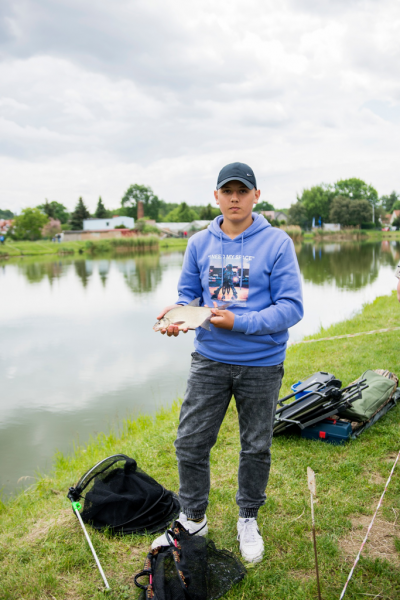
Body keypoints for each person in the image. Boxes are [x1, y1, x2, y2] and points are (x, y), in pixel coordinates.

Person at [152, 162, 304, 563]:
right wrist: (178, 318)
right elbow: (188, 297)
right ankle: (193, 518)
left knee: (255, 445)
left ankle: (248, 518)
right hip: (210, 359)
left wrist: (239, 321)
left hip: (262, 363)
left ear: (256, 195)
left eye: (242, 190)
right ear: (216, 197)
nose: (235, 197)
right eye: (227, 191)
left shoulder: (278, 243)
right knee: (190, 442)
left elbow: (292, 308)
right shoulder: (199, 243)